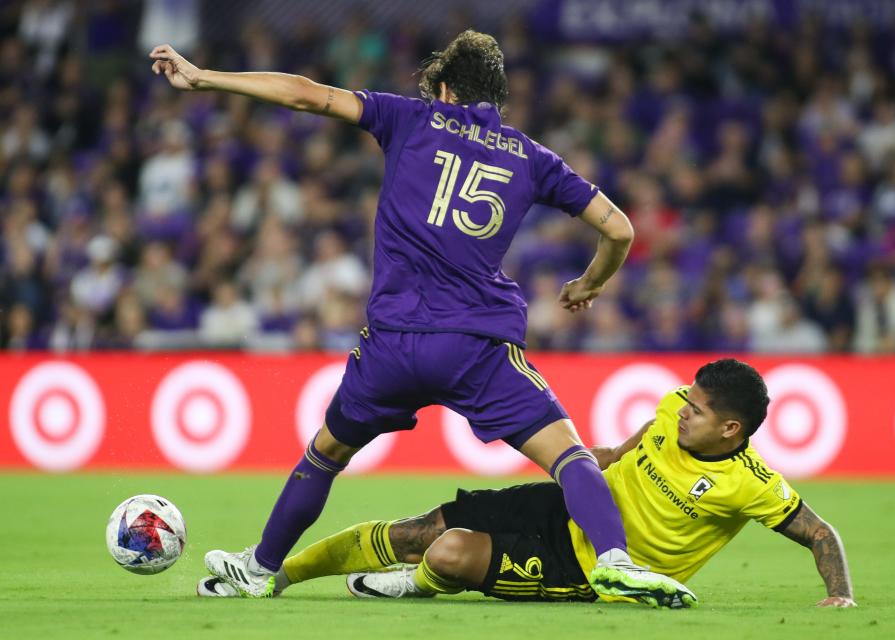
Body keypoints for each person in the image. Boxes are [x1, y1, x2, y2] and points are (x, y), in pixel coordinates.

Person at [149, 31, 695, 606]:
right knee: (570, 457)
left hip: (393, 344)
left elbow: (306, 95)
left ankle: (259, 568)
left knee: (326, 454)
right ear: (498, 98)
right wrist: (590, 284)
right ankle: (614, 562)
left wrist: (204, 77)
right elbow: (619, 229)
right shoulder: (533, 157)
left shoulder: (409, 117)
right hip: (476, 345)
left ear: (442, 87)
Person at [198, 359, 857, 608]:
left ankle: (419, 587)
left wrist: (840, 598)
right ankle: (271, 577)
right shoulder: (668, 409)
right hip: (565, 505)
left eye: (700, 410)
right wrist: (579, 464)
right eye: (687, 399)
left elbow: (818, 533)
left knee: (448, 552)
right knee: (420, 529)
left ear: (732, 430)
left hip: (585, 565)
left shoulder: (751, 484)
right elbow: (619, 453)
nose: (684, 409)